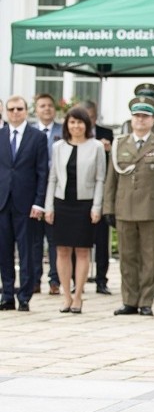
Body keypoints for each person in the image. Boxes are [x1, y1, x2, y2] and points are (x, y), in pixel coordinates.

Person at [103, 96, 154, 317]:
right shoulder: (119, 144)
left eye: (145, 116)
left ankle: (146, 300)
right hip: (124, 208)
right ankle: (129, 300)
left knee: (149, 258)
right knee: (127, 257)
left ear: (153, 120)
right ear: (131, 119)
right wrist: (108, 208)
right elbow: (111, 180)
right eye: (137, 116)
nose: (140, 120)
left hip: (150, 210)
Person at [44, 107, 106, 314]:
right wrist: (49, 206)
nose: (76, 126)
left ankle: (78, 295)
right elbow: (52, 177)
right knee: (62, 250)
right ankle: (66, 297)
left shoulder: (96, 146)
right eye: (72, 122)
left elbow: (100, 179)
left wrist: (97, 206)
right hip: (62, 203)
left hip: (85, 204)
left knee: (82, 250)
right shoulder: (58, 147)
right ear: (66, 125)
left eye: (80, 122)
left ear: (86, 125)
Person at [0, 96, 49, 312]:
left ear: (26, 111)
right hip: (2, 202)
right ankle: (7, 294)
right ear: (5, 112)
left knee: (27, 251)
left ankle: (25, 295)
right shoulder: (0, 135)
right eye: (11, 109)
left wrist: (39, 202)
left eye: (19, 109)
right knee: (4, 251)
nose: (15, 112)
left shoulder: (37, 137)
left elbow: (42, 172)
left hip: (27, 204)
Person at [31, 93, 63, 295]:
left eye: (50, 105)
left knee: (54, 240)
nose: (47, 109)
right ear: (36, 109)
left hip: (56, 190)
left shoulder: (62, 130)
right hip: (33, 192)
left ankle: (55, 280)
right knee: (35, 240)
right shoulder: (31, 132)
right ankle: (34, 279)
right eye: (42, 106)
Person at [82, 100, 114, 295]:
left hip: (101, 194)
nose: (89, 121)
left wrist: (109, 151)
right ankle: (78, 279)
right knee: (80, 240)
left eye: (92, 117)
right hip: (79, 196)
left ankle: (102, 280)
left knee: (102, 242)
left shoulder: (106, 134)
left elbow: (114, 165)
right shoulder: (74, 134)